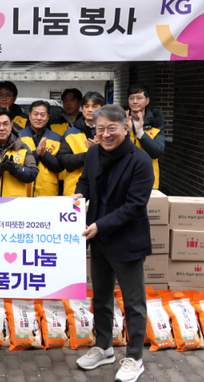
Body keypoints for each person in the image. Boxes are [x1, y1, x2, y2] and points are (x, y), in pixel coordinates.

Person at [71, 105, 154, 382]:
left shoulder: (140, 160)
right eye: (100, 129)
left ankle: (134, 357)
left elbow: (134, 206)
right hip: (98, 240)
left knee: (133, 303)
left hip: (126, 241)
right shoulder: (93, 153)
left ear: (125, 126)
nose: (105, 135)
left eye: (111, 128)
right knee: (101, 298)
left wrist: (99, 225)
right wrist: (78, 198)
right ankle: (104, 347)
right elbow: (84, 182)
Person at [58, 92, 107, 196]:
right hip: (74, 190)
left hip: (103, 188)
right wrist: (90, 154)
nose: (90, 110)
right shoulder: (70, 133)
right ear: (82, 108)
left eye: (94, 106)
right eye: (86, 106)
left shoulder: (109, 132)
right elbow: (64, 161)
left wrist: (100, 151)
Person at [19, 100, 63, 197]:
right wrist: (36, 154)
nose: (39, 118)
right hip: (22, 189)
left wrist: (44, 155)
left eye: (42, 115)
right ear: (29, 115)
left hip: (47, 191)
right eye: (35, 114)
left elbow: (60, 166)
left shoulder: (57, 138)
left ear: (48, 117)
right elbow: (15, 163)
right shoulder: (18, 137)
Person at [126, 83, 165, 189]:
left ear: (147, 100)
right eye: (131, 98)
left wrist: (140, 133)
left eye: (139, 98)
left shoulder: (156, 124)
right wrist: (127, 131)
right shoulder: (119, 121)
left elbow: (156, 152)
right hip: (123, 179)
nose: (135, 101)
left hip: (148, 180)